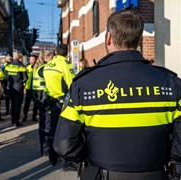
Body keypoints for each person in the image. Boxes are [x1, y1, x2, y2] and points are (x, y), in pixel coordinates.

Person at [53, 9, 181, 179]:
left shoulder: (83, 84)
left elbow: (64, 145)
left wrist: (90, 158)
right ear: (140, 40)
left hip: (102, 174)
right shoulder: (171, 83)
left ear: (108, 38)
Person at [43, 44, 75, 169]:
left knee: (52, 129)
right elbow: (72, 84)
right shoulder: (65, 64)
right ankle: (65, 162)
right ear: (67, 53)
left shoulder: (48, 65)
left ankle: (52, 157)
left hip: (51, 101)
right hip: (62, 103)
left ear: (56, 52)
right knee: (64, 132)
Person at [32, 51, 53, 158]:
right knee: (47, 125)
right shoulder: (45, 69)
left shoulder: (38, 68)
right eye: (51, 57)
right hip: (44, 99)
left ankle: (44, 150)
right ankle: (47, 150)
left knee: (43, 124)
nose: (53, 59)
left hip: (39, 98)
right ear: (45, 58)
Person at [5, 54, 27, 127]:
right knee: (18, 105)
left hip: (11, 86)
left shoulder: (9, 65)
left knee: (12, 104)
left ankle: (12, 120)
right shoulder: (21, 66)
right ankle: (16, 121)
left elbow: (6, 77)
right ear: (20, 58)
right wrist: (20, 82)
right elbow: (25, 78)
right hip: (19, 87)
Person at [22, 54, 38, 122]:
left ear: (35, 60)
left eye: (33, 59)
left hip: (35, 88)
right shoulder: (27, 67)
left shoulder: (37, 67)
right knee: (27, 103)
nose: (31, 61)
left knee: (35, 104)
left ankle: (34, 116)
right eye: (30, 59)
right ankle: (25, 116)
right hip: (28, 88)